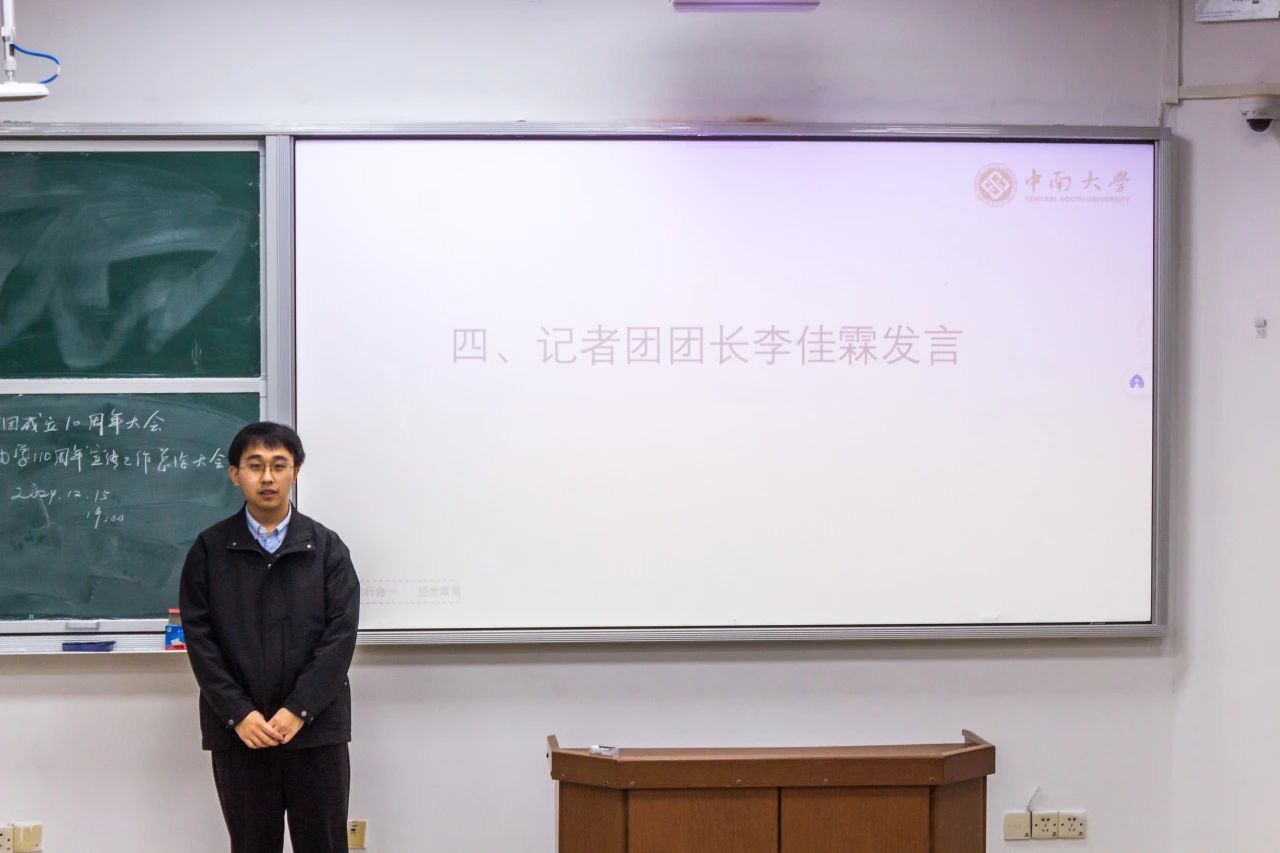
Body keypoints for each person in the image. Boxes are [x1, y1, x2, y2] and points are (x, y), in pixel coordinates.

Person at [179, 421, 360, 853]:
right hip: (243, 734)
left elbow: (340, 636)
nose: (267, 477)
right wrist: (239, 713)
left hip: (315, 732)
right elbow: (201, 641)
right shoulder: (209, 550)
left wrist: (299, 709)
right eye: (254, 465)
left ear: (295, 472)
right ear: (234, 474)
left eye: (279, 465)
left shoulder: (326, 548)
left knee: (325, 844)